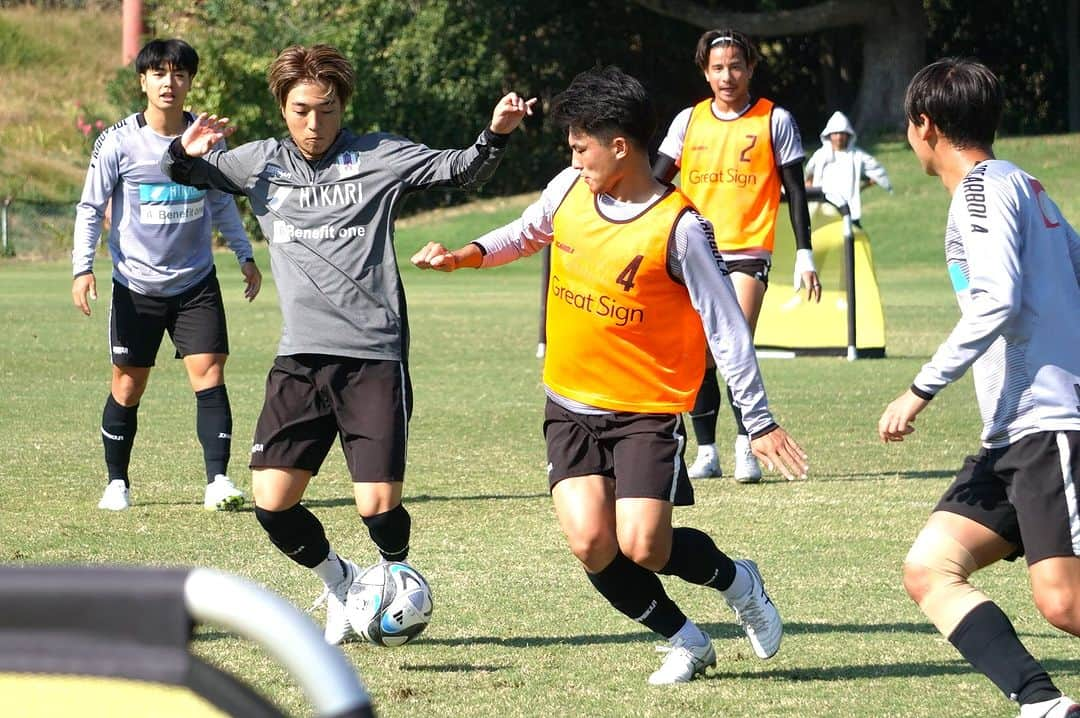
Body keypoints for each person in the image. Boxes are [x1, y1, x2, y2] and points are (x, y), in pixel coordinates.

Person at [412, 66, 809, 684]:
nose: (573, 156)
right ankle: (686, 640)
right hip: (569, 402)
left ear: (619, 146)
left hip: (645, 411)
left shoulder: (679, 227)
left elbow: (727, 326)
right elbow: (525, 233)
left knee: (646, 545)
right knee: (592, 544)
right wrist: (463, 255)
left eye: (580, 145)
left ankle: (739, 580)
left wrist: (757, 421)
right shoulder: (569, 188)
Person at [161, 44, 534, 644]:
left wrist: (496, 134)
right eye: (302, 109)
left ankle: (394, 588)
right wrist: (187, 147)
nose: (315, 124)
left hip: (373, 356)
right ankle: (340, 581)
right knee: (271, 500)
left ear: (343, 107)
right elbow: (179, 171)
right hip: (300, 357)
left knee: (377, 505)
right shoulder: (256, 163)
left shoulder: (379, 155)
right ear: (282, 107)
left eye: (328, 110)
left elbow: (460, 170)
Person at [879, 58, 1080, 718]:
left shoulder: (980, 191)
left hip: (1048, 422)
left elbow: (993, 301)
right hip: (1009, 437)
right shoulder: (1027, 186)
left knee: (1063, 602)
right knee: (930, 568)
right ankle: (1042, 703)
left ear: (924, 125)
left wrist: (920, 389)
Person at [72, 38, 262, 513]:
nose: (169, 83)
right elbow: (91, 206)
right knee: (127, 385)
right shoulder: (117, 141)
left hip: (195, 281)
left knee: (210, 372)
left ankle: (218, 480)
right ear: (143, 81)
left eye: (179, 74)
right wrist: (82, 268)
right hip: (136, 285)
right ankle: (117, 482)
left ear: (190, 81)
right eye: (159, 73)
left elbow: (222, 199)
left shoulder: (206, 136)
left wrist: (244, 254)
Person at [653, 29, 820, 483]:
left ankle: (747, 444)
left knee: (735, 344)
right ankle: (706, 450)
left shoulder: (774, 119)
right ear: (705, 72)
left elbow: (795, 192)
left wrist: (804, 252)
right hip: (693, 249)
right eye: (718, 67)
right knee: (701, 353)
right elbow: (656, 180)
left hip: (747, 249)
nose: (728, 76)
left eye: (736, 66)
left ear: (750, 69)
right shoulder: (688, 121)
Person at [804, 110, 892, 227]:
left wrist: (859, 188)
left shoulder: (857, 156)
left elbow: (877, 173)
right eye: (835, 133)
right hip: (823, 213)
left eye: (842, 133)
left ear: (848, 135)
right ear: (829, 135)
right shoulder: (820, 156)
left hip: (849, 212)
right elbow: (809, 179)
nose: (839, 137)